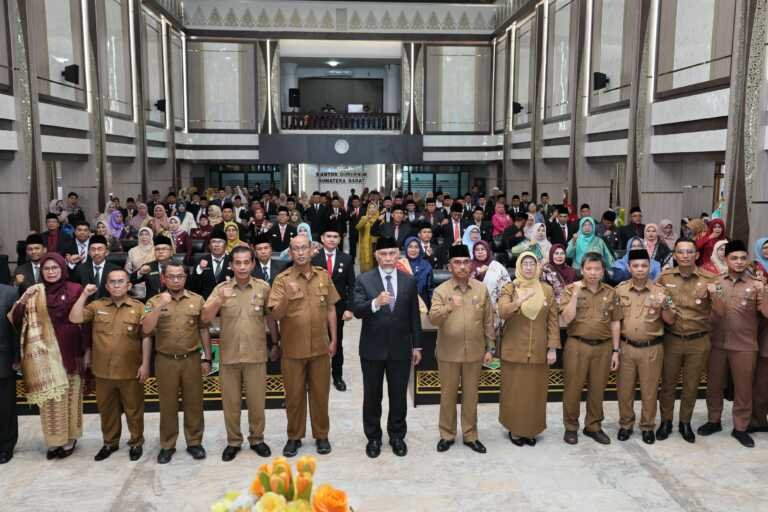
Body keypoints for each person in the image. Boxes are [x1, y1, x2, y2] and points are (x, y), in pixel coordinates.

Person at [268, 235, 339, 458]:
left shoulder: (323, 276)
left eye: (304, 248)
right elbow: (275, 315)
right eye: (296, 249)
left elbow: (331, 308)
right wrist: (287, 298)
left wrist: (334, 339)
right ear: (290, 253)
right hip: (292, 349)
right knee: (294, 397)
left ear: (311, 250)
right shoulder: (282, 280)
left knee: (320, 395)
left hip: (320, 348)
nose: (300, 252)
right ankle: (294, 437)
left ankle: (321, 435)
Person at [202, 247, 276, 461]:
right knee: (231, 404)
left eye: (246, 262)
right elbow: (204, 318)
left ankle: (257, 439)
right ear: (231, 265)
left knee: (257, 403)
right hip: (229, 356)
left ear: (253, 264)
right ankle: (233, 441)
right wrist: (219, 300)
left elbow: (271, 317)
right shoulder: (221, 289)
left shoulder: (263, 288)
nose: (242, 267)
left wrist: (275, 343)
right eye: (238, 263)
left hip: (255, 355)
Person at [351, 237, 422, 458]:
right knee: (372, 396)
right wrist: (375, 303)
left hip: (400, 349)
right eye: (383, 254)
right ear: (376, 256)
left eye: (392, 253)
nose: (388, 258)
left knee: (398, 395)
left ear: (398, 254)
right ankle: (373, 437)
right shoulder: (364, 279)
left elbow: (414, 316)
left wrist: (417, 346)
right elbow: (357, 310)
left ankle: (397, 436)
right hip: (372, 349)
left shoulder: (408, 280)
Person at [69, 270, 150, 462]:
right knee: (107, 411)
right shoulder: (97, 306)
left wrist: (145, 364)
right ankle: (110, 443)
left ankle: (136, 442)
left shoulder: (139, 307)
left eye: (121, 281)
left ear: (129, 285)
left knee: (134, 410)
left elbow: (146, 337)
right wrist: (84, 295)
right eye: (112, 282)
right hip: (103, 371)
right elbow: (74, 318)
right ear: (106, 286)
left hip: (130, 370)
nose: (116, 285)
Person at [10, 253, 85, 459]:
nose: (51, 272)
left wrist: (86, 351)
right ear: (41, 271)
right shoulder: (35, 291)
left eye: (55, 268)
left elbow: (84, 320)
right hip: (44, 355)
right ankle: (54, 441)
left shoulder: (75, 289)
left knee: (70, 396)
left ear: (62, 268)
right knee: (50, 399)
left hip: (71, 350)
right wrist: (24, 299)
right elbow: (15, 319)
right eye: (46, 268)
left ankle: (70, 438)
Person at [697, 240, 767, 448]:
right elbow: (701, 309)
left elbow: (766, 313)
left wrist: (763, 291)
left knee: (743, 389)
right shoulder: (716, 282)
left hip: (744, 345)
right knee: (714, 385)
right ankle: (714, 420)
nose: (739, 262)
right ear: (726, 259)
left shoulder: (755, 284)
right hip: (717, 343)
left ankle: (741, 427)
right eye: (734, 258)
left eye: (743, 258)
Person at [428, 244, 494, 454]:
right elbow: (433, 319)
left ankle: (470, 435)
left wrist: (490, 347)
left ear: (471, 264)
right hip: (449, 352)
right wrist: (449, 307)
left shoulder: (481, 289)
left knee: (471, 396)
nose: (462, 266)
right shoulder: (441, 291)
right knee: (447, 396)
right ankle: (447, 435)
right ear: (450, 266)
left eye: (466, 262)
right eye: (457, 263)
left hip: (475, 352)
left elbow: (488, 320)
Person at [656, 239, 719, 443]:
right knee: (668, 384)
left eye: (689, 252)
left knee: (691, 385)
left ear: (697, 255)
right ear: (674, 255)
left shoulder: (710, 279)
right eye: (680, 252)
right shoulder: (665, 277)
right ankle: (666, 421)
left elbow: (721, 308)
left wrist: (716, 294)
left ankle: (685, 422)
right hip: (671, 339)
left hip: (698, 340)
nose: (685, 255)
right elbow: (656, 302)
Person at [559, 252, 622, 445]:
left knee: (597, 389)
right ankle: (571, 427)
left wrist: (616, 351)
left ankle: (593, 426)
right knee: (573, 389)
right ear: (582, 270)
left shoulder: (611, 293)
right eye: (589, 268)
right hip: (577, 345)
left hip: (603, 347)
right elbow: (565, 319)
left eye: (597, 269)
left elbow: (615, 322)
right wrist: (575, 295)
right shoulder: (570, 289)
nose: (593, 272)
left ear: (603, 271)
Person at [497, 251, 559, 446]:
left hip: (539, 349)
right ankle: (515, 430)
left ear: (537, 266)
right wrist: (518, 301)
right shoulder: (510, 287)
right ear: (519, 266)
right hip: (514, 349)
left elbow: (553, 321)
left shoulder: (546, 290)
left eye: (532, 263)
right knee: (514, 392)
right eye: (525, 264)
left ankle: (531, 429)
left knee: (535, 393)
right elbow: (502, 312)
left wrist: (552, 348)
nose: (529, 267)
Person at [614, 249, 674, 445]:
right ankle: (626, 424)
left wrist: (665, 306)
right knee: (624, 390)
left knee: (649, 391)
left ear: (650, 267)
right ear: (629, 267)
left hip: (651, 348)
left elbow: (670, 320)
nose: (640, 269)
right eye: (636, 266)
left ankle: (647, 426)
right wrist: (615, 349)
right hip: (626, 347)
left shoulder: (661, 291)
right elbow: (614, 321)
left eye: (644, 265)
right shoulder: (620, 290)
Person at [311, 223, 355, 392]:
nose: (332, 239)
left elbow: (352, 285)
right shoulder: (313, 257)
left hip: (338, 308)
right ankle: (315, 376)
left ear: (340, 240)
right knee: (314, 341)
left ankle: (337, 376)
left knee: (337, 341)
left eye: (335, 237)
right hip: (315, 307)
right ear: (322, 239)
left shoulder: (346, 259)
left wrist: (349, 308)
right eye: (328, 236)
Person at [470, 240, 510, 335]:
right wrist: (477, 273)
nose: (480, 252)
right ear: (474, 252)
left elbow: (507, 285)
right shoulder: (468, 266)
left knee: (492, 337)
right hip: (473, 308)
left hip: (494, 309)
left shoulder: (496, 266)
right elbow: (464, 284)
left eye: (483, 249)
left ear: (487, 251)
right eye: (477, 250)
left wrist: (500, 303)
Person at [0, 284, 19, 464]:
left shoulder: (9, 292)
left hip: (3, 358)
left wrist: (17, 357)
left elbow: (16, 328)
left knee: (5, 406)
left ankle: (6, 445)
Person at [69, 235, 119, 300]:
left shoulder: (115, 270)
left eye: (100, 249)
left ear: (106, 252)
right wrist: (71, 263)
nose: (96, 253)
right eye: (93, 249)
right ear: (89, 252)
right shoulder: (80, 269)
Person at [130, 235, 175, 300]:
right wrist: (140, 273)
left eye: (164, 249)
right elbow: (130, 280)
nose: (160, 252)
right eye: (157, 249)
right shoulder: (148, 267)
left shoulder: (179, 267)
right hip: (152, 303)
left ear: (171, 252)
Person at [399, 237, 433, 307]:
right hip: (403, 304)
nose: (413, 250)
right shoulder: (400, 265)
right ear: (406, 248)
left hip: (422, 305)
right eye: (410, 247)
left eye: (416, 247)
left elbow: (430, 290)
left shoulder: (426, 265)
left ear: (420, 249)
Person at [125, 228, 154, 300]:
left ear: (151, 236)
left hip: (153, 283)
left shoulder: (156, 250)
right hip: (136, 284)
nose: (144, 237)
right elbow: (127, 270)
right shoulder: (132, 251)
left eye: (147, 234)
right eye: (141, 234)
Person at [356, 203, 380, 273]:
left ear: (376, 209)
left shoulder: (380, 218)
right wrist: (366, 219)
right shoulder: (364, 218)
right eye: (370, 207)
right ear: (368, 209)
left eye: (374, 207)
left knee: (377, 262)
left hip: (377, 244)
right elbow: (358, 227)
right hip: (366, 244)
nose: (372, 209)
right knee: (367, 263)